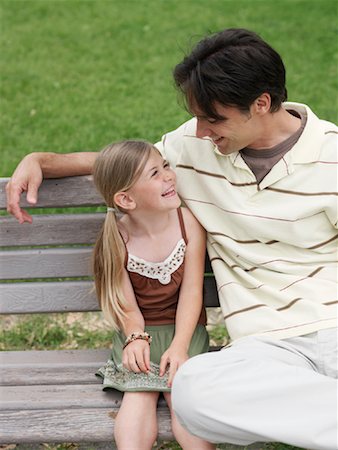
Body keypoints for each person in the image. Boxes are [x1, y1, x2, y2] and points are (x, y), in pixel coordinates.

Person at [5, 28, 337, 450]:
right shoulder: (193, 149)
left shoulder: (332, 155)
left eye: (212, 118)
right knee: (195, 390)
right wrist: (38, 161)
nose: (199, 131)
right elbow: (117, 167)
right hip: (265, 348)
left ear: (262, 104)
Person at [90, 139, 214, 450]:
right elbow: (127, 307)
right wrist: (135, 337)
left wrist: (181, 346)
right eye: (155, 173)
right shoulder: (116, 238)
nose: (169, 176)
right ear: (127, 199)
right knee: (138, 395)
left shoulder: (189, 225)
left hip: (184, 331)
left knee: (183, 397)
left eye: (166, 166)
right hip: (140, 333)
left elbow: (191, 293)